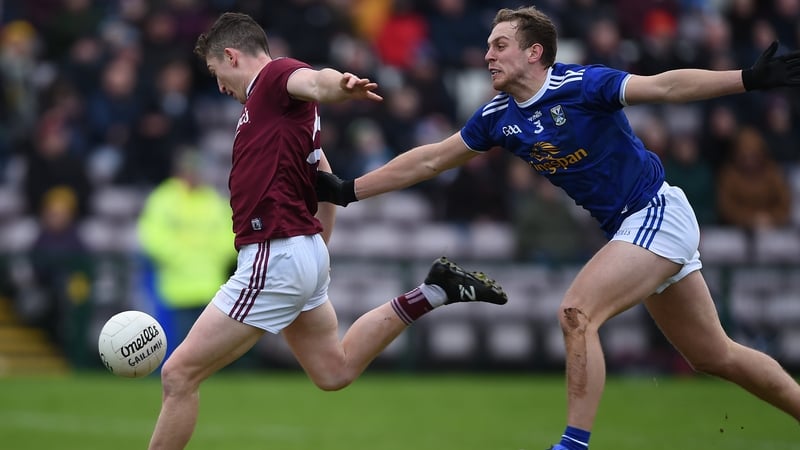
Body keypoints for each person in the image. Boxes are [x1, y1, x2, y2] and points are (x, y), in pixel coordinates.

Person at [316, 6, 800, 449]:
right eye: (487, 46)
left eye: (499, 45)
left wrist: (748, 79)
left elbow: (666, 87)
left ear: (535, 52)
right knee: (714, 356)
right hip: (632, 229)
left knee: (576, 312)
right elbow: (431, 161)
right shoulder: (497, 117)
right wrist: (349, 190)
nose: (487, 55)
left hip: (654, 212)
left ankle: (572, 445)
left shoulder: (582, 85)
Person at [147, 12, 508, 450]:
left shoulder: (273, 78)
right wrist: (317, 249)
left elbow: (314, 80)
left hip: (274, 254)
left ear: (231, 55)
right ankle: (433, 291)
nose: (220, 86)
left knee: (178, 373)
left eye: (216, 72)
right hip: (299, 254)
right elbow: (326, 181)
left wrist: (341, 86)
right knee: (334, 372)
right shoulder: (280, 118)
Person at [137, 148, 236, 356]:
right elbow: (151, 235)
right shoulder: (163, 198)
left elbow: (230, 235)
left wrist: (213, 256)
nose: (192, 175)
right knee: (178, 346)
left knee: (207, 347)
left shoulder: (212, 200)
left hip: (210, 286)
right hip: (175, 288)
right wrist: (183, 256)